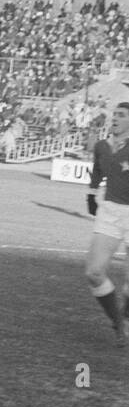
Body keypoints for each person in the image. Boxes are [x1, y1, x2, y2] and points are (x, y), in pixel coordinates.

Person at [85, 101, 129, 346]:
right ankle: (117, 322)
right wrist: (90, 197)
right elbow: (96, 174)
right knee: (94, 272)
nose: (114, 119)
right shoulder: (102, 146)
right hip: (110, 211)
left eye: (121, 116)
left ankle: (126, 319)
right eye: (114, 115)